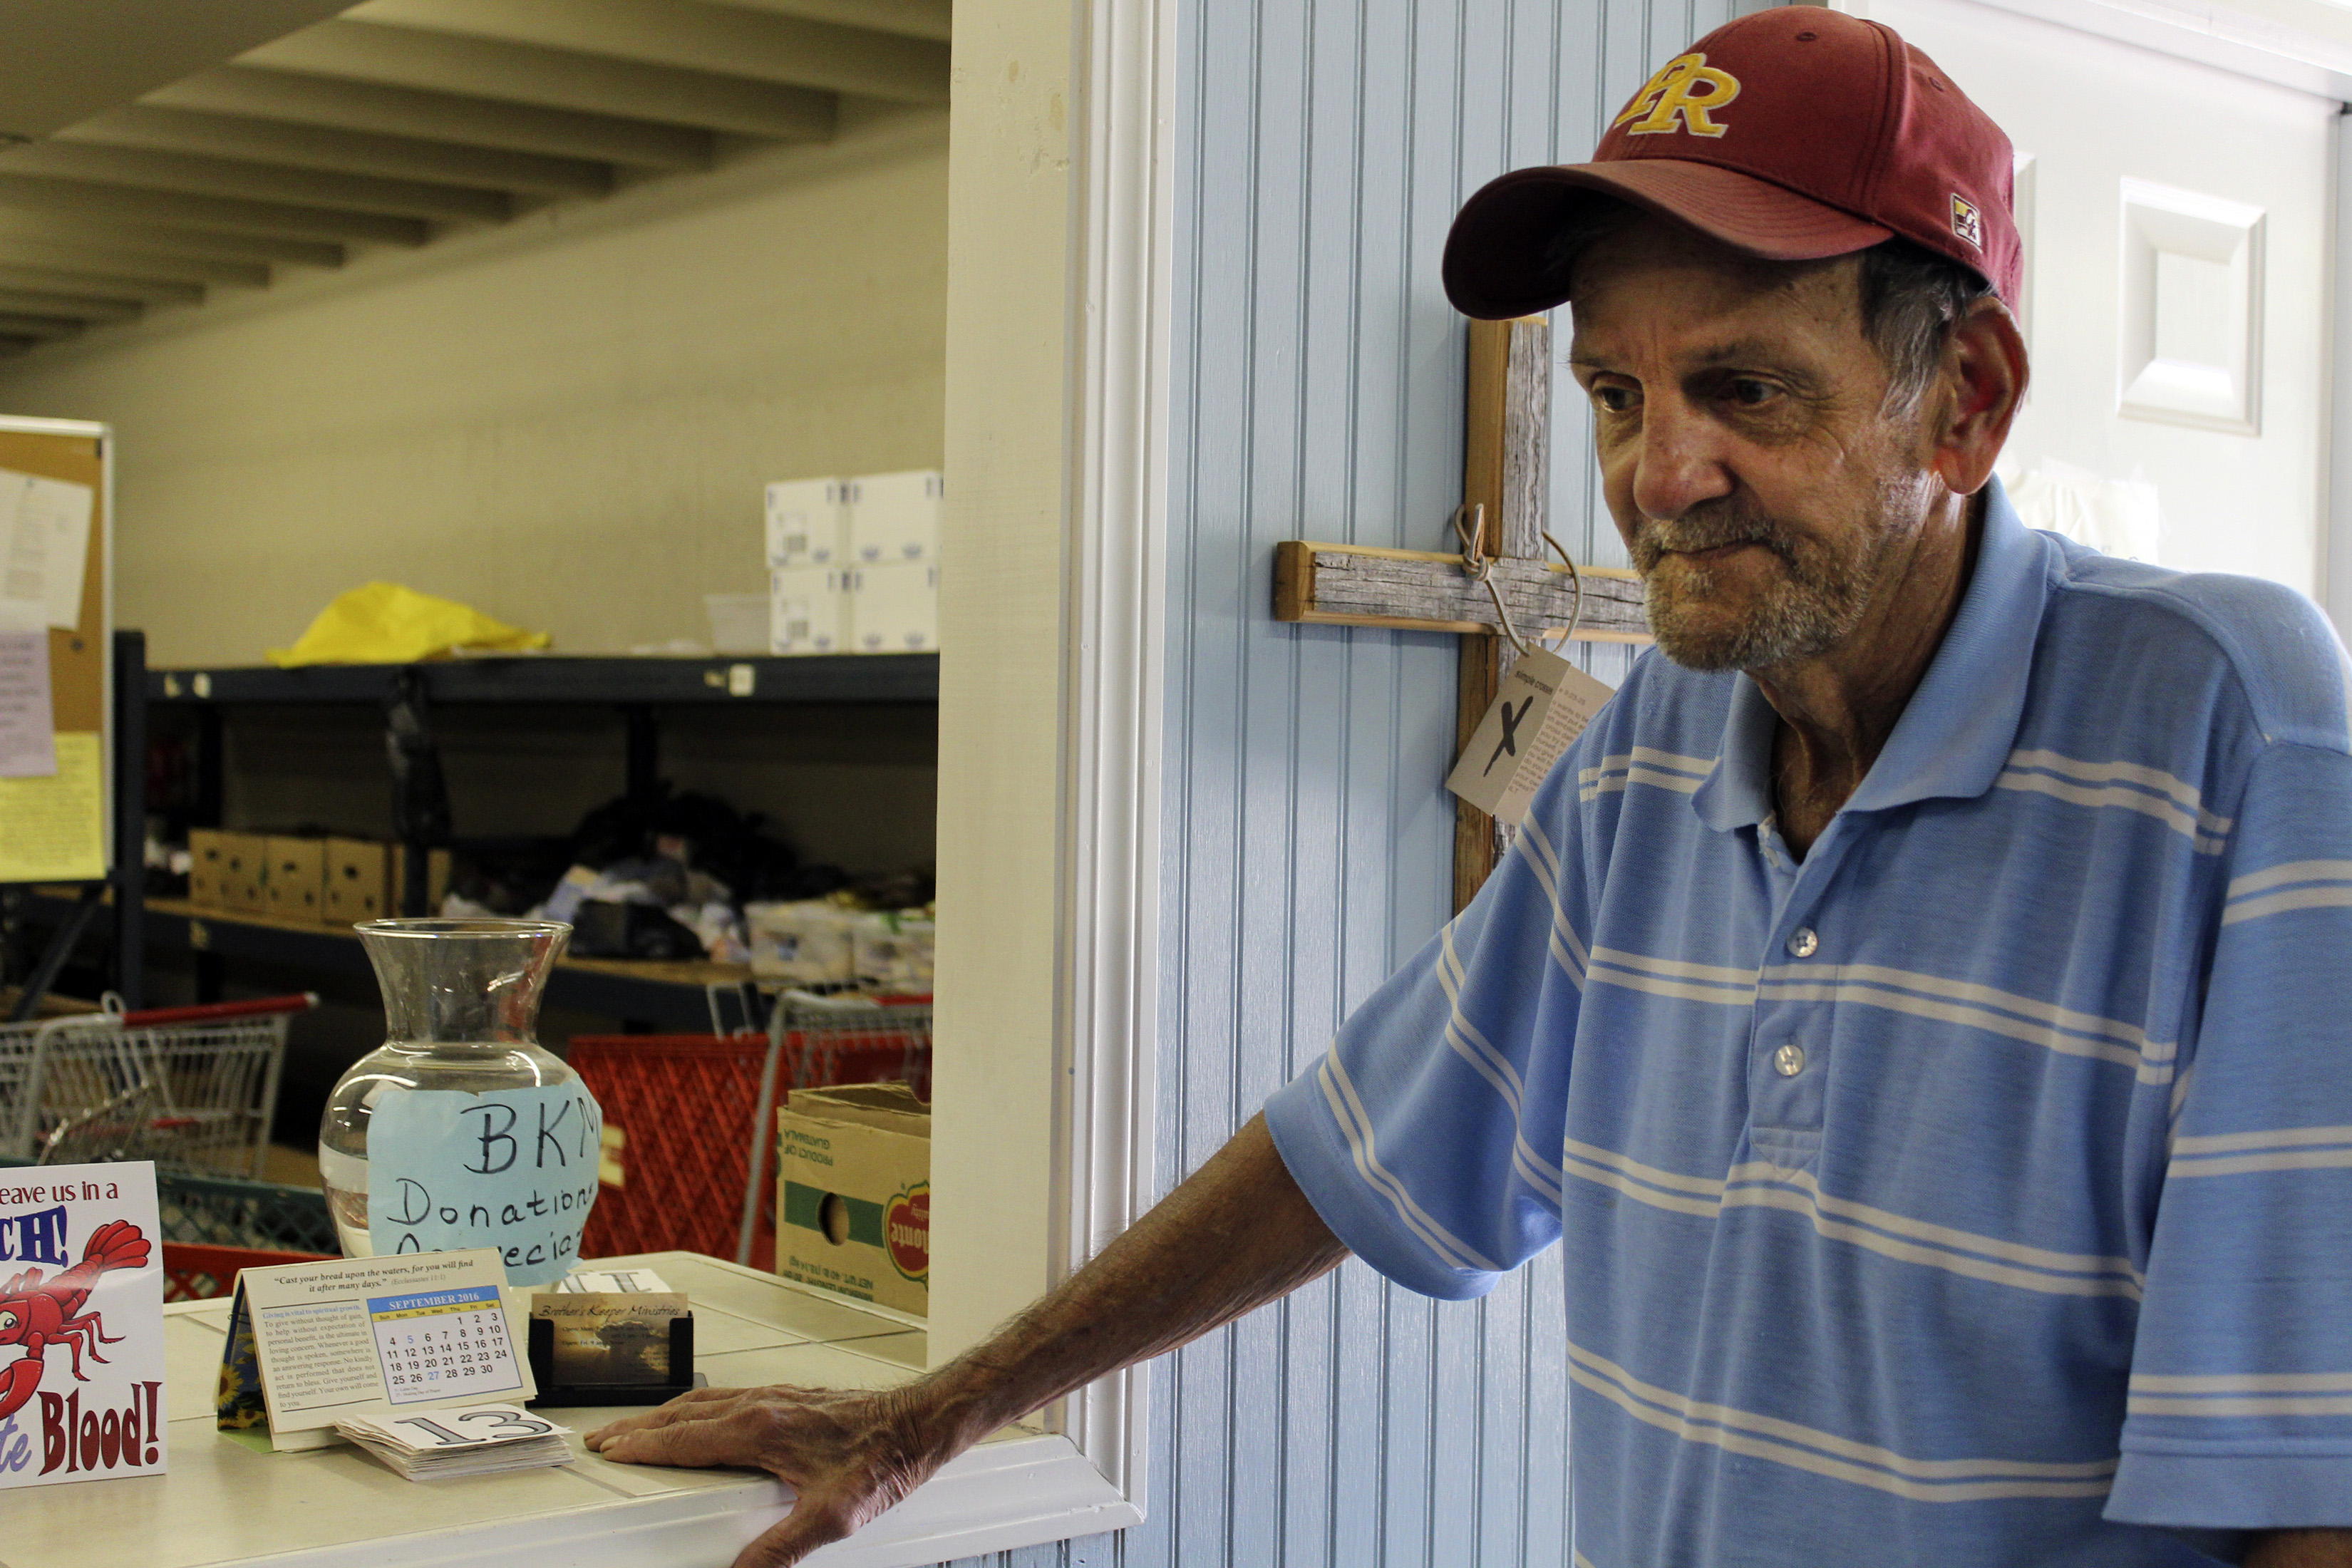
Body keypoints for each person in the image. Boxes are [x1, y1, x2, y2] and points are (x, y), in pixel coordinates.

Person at [588, 12, 2352, 1564]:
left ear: (1963, 404)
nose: (1659, 476)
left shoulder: (2234, 726)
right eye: (1615, 392)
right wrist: (927, 1415)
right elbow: (1351, 1150)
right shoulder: (1659, 747)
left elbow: (2313, 1474)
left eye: (1744, 387)